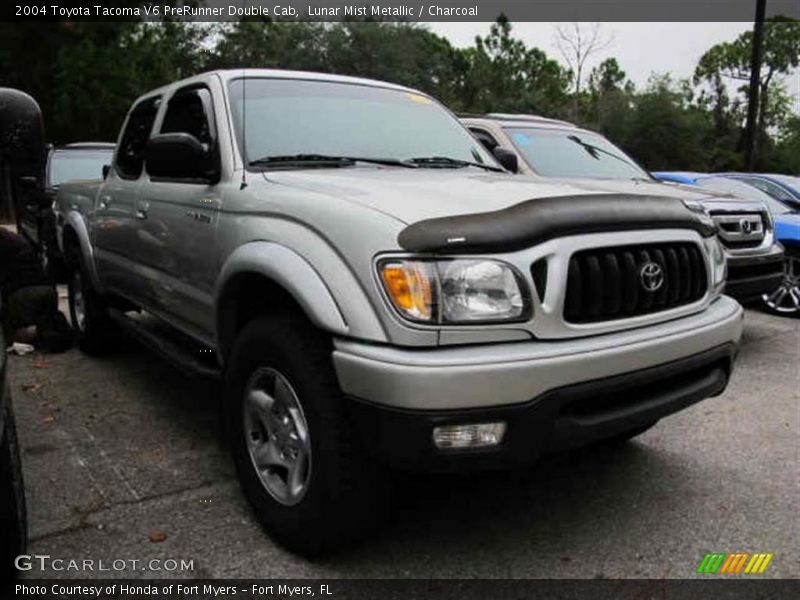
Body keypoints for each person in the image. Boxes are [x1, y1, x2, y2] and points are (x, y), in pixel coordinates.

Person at [0, 228, 72, 353]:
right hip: (48, 290)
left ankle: (42, 329)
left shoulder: (4, 242)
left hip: (23, 295)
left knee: (12, 335)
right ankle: (50, 326)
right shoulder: (14, 238)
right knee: (42, 319)